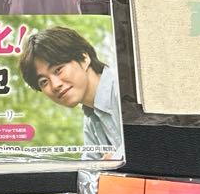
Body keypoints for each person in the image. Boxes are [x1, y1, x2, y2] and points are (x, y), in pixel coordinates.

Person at [18, 26, 122, 155]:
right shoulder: (91, 120)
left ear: (84, 58)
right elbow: (89, 166)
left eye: (58, 70)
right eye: (44, 81)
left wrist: (113, 161)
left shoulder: (123, 91)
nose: (55, 85)